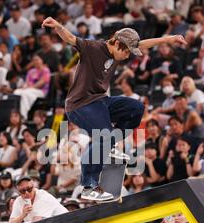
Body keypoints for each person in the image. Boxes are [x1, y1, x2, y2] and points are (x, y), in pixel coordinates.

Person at [41, 16, 186, 201]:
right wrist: (58, 26)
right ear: (117, 43)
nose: (127, 56)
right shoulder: (93, 48)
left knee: (136, 108)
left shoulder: (121, 48)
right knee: (104, 135)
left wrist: (167, 39)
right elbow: (70, 38)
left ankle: (109, 146)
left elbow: (141, 44)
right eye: (126, 53)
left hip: (100, 101)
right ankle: (88, 186)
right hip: (79, 105)